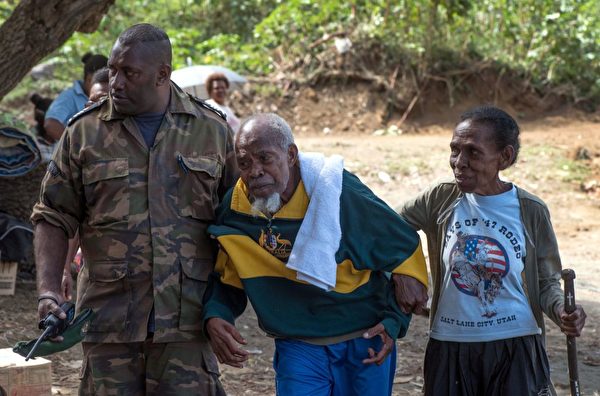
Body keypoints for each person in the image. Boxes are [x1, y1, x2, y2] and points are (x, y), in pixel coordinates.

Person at [31, 23, 237, 395]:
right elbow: (52, 215)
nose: (116, 82)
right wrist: (48, 291)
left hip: (187, 325)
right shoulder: (84, 133)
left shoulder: (212, 131)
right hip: (108, 324)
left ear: (162, 75)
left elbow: (237, 224)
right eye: (112, 69)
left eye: (129, 72)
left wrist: (223, 308)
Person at [202, 113, 428, 396]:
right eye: (244, 163)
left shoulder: (339, 193)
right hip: (298, 342)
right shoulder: (236, 210)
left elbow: (405, 250)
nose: (254, 171)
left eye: (265, 158)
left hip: (363, 338)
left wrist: (395, 322)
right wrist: (216, 314)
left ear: (291, 155)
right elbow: (228, 274)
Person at [396, 105, 587, 395]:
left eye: (473, 152)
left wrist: (561, 308)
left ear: (505, 157)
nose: (459, 162)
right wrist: (405, 273)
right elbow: (387, 228)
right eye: (454, 150)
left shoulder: (530, 210)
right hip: (450, 344)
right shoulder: (440, 198)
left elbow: (547, 282)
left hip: (516, 345)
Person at [44, 52, 108, 142]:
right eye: (103, 83)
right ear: (90, 79)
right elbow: (51, 124)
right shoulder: (69, 96)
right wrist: (76, 144)